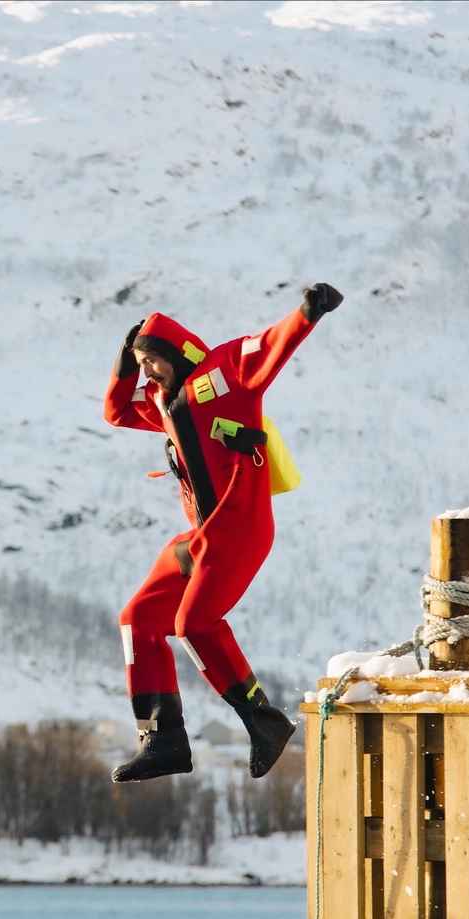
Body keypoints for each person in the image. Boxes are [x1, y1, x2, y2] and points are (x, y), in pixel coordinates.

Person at [101, 283, 343, 782]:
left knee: (194, 623)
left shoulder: (227, 374)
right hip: (202, 538)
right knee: (139, 618)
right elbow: (118, 412)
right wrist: (125, 363)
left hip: (240, 531)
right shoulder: (166, 401)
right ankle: (162, 739)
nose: (147, 372)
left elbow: (272, 346)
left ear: (175, 352)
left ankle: (264, 720)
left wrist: (307, 312)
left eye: (151, 361)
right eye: (142, 365)